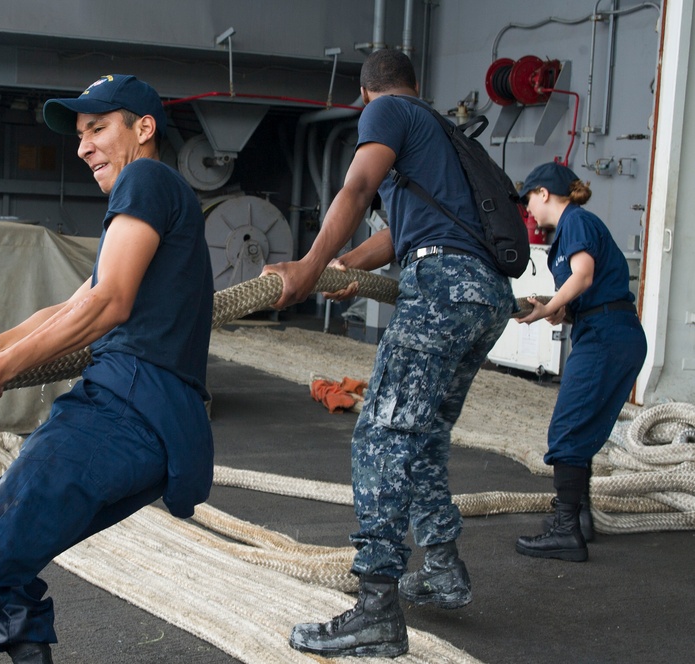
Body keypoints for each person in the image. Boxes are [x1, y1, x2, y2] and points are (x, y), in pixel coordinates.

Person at [0, 74, 214, 664]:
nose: (83, 146)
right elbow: (77, 302)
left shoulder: (146, 179)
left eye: (98, 128)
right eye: (80, 134)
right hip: (152, 423)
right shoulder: (157, 198)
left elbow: (107, 304)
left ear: (143, 129)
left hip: (123, 411)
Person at [262, 49, 515, 658]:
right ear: (418, 82)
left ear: (366, 91)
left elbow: (357, 184)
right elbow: (399, 233)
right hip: (484, 294)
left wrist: (309, 264)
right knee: (421, 437)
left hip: (442, 287)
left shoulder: (388, 112)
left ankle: (376, 608)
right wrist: (346, 265)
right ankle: (443, 571)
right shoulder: (441, 136)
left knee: (380, 434)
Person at [514, 162, 646, 562]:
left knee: (568, 426)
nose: (528, 212)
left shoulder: (575, 222)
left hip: (607, 336)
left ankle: (567, 531)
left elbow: (584, 276)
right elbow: (591, 289)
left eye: (528, 201)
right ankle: (580, 519)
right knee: (582, 426)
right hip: (604, 329)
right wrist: (561, 312)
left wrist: (550, 306)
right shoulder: (574, 227)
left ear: (543, 193)